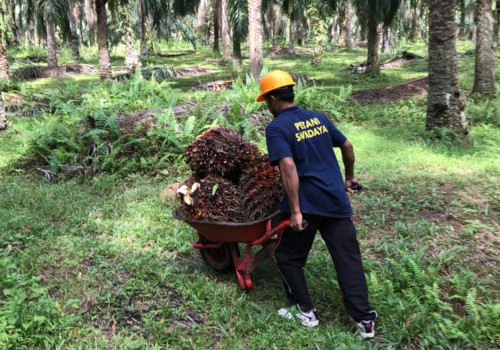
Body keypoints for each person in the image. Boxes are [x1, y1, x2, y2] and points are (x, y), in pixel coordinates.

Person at [258, 70, 377, 339]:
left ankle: (305, 312)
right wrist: (349, 177)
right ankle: (364, 320)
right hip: (336, 201)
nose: (267, 106)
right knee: (348, 260)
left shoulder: (277, 127)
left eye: (266, 100)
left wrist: (296, 211)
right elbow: (346, 145)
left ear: (274, 99)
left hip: (308, 206)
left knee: (287, 257)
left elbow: (288, 166)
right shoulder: (318, 117)